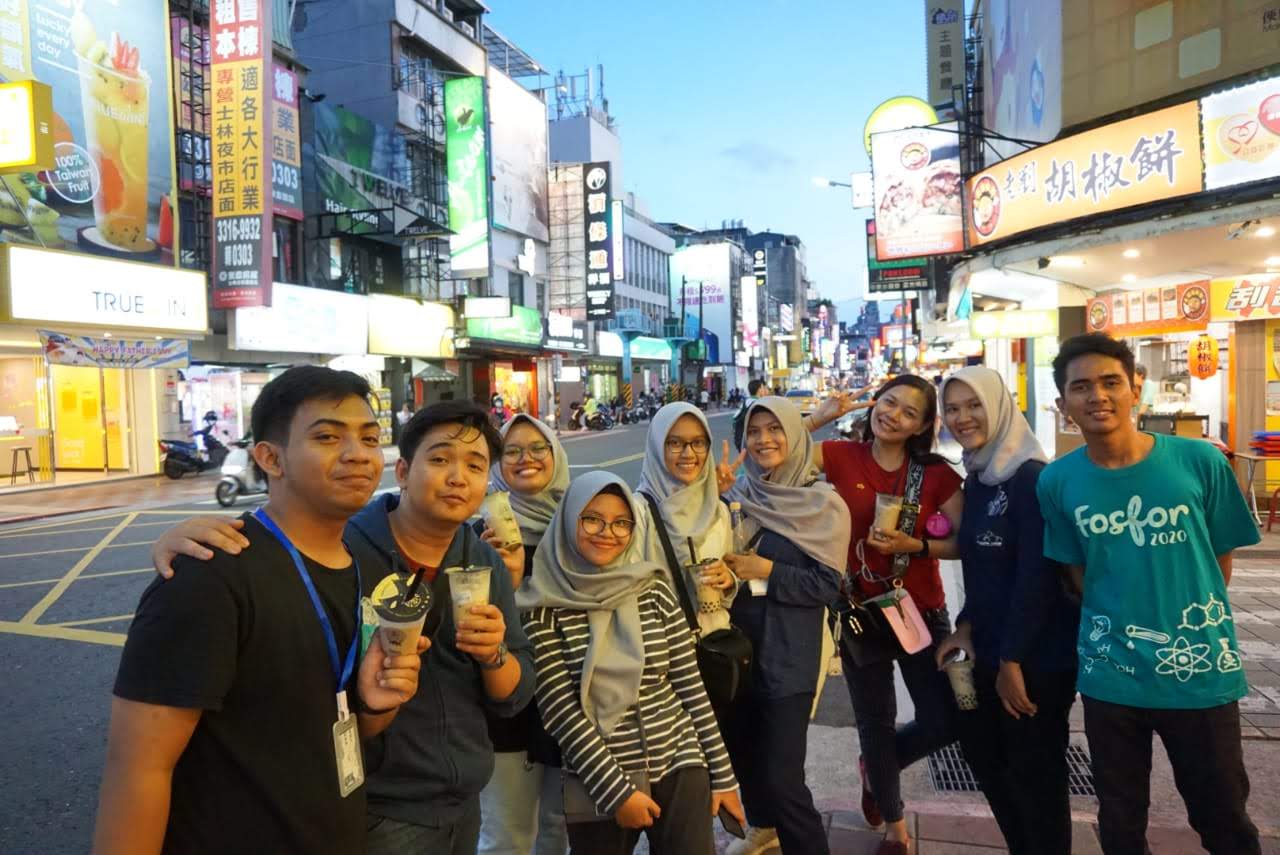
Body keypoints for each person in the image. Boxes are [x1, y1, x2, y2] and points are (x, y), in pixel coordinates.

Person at [149, 401, 537, 855]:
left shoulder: (482, 561)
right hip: (369, 805)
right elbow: (273, 544)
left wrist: (493, 654)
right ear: (403, 471)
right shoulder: (343, 547)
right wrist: (180, 540)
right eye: (439, 459)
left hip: (463, 802)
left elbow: (514, 695)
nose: (457, 477)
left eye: (474, 466)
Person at [93, 366, 426, 854]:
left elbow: (350, 728)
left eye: (370, 438)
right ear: (271, 458)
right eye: (328, 437)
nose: (358, 454)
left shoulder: (369, 571)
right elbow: (138, 769)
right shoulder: (210, 575)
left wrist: (379, 703)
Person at [1037, 333, 1262, 855]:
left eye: (1110, 382)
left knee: (1224, 818)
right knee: (1120, 822)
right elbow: (1077, 573)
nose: (1097, 396)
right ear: (1063, 403)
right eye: (1081, 386)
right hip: (1111, 676)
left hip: (1201, 673)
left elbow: (1218, 561)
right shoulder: (1056, 481)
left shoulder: (1200, 461)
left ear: (1135, 389)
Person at [520, 471, 745, 855]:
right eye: (592, 519)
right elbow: (560, 712)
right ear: (569, 520)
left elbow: (690, 686)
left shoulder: (652, 590)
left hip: (678, 757)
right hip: (598, 775)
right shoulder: (543, 608)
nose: (607, 532)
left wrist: (723, 776)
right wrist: (617, 792)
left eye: (621, 522)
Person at [934, 367, 1080, 855]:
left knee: (1036, 780)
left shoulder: (1030, 478)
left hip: (1036, 661)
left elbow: (1038, 577)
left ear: (999, 406)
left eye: (974, 405)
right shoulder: (979, 478)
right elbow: (983, 572)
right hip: (991, 651)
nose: (963, 418)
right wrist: (965, 626)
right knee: (991, 764)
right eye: (952, 408)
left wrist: (1012, 661)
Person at [816, 375, 963, 855]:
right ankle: (895, 827)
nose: (892, 415)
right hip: (860, 611)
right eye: (889, 402)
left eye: (908, 412)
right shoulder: (840, 455)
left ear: (921, 426)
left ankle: (879, 766)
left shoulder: (936, 474)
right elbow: (773, 451)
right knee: (875, 721)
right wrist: (821, 416)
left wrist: (915, 546)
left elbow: (963, 540)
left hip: (920, 611)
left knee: (944, 719)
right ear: (875, 402)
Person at [719, 397, 852, 855]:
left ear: (795, 436)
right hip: (737, 652)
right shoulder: (738, 495)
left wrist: (766, 570)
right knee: (743, 752)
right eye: (754, 432)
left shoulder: (823, 504)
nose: (764, 440)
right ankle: (763, 826)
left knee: (783, 777)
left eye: (775, 429)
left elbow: (827, 586)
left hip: (790, 656)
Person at [478, 415, 571, 855]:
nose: (525, 459)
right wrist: (503, 582)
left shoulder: (580, 525)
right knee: (506, 836)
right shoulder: (481, 534)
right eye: (511, 451)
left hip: (569, 704)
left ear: (556, 455)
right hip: (507, 706)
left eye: (538, 448)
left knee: (558, 830)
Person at [635, 403, 739, 639]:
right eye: (675, 443)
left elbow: (729, 577)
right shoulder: (638, 512)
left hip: (714, 644)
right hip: (664, 649)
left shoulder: (718, 510)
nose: (689, 453)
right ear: (657, 447)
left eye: (698, 443)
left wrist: (728, 580)